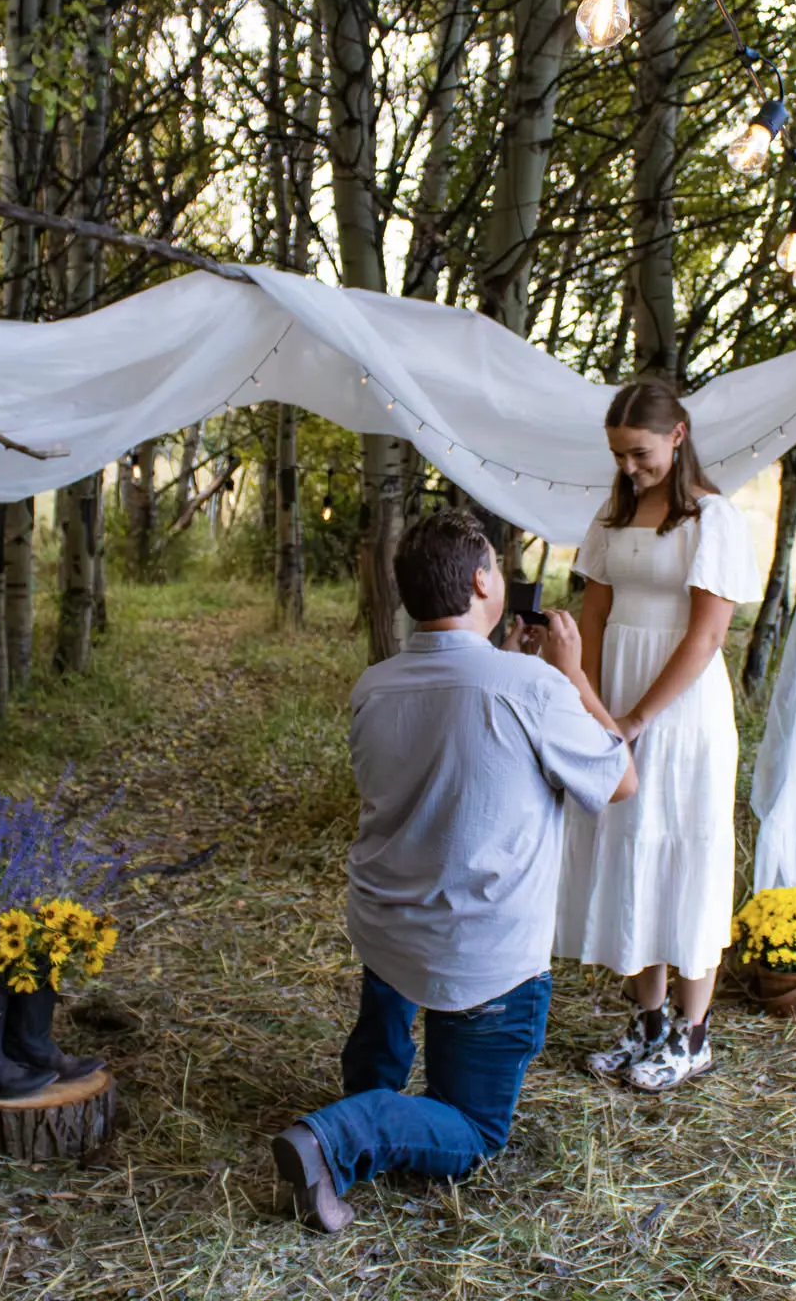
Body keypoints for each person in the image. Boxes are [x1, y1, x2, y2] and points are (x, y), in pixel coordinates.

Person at [269, 509, 638, 1233]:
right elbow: (618, 779)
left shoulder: (373, 686)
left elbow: (458, 707)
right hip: (482, 952)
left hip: (385, 923)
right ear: (480, 581)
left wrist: (515, 662)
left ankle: (368, 1090)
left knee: (390, 1004)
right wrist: (573, 676)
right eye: (497, 568)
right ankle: (338, 1136)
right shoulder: (530, 688)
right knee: (474, 1132)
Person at [555, 375, 762, 1092]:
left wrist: (639, 717)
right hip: (614, 701)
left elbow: (706, 640)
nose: (629, 468)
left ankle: (693, 1034)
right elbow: (592, 620)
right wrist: (593, 706)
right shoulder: (611, 521)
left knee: (684, 850)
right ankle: (646, 1025)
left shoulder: (713, 520)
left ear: (678, 437)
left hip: (682, 711)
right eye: (619, 455)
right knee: (630, 849)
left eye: (640, 454)